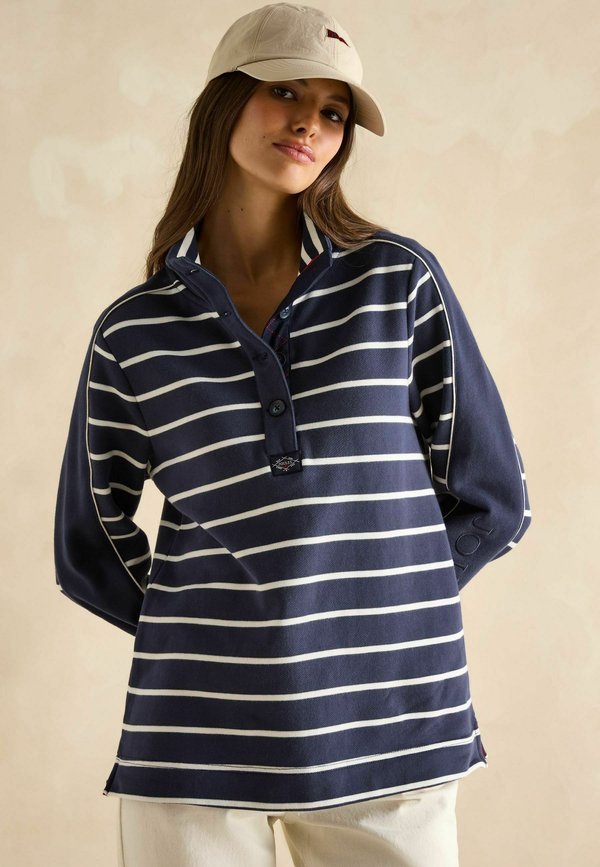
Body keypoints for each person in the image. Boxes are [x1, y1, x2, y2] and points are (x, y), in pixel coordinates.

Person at [53, 3, 532, 865]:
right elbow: (88, 542)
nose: (311, 121)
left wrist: (373, 613)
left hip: (390, 725)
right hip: (194, 738)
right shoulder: (135, 331)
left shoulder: (397, 283)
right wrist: (212, 629)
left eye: (334, 110)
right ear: (223, 102)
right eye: (284, 92)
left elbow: (494, 496)